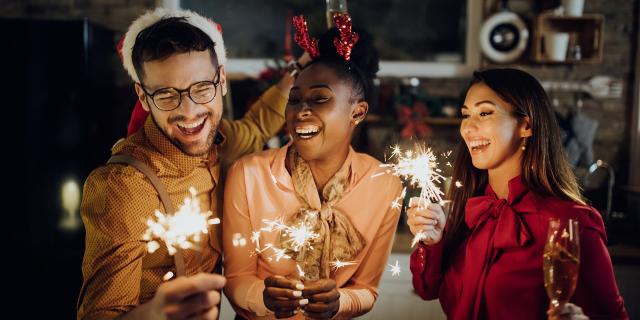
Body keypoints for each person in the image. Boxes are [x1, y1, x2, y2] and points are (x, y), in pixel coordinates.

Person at [77, 7, 309, 320]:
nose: (189, 112)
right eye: (167, 94)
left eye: (201, 88)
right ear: (144, 98)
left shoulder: (223, 139)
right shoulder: (124, 186)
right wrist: (156, 314)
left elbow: (257, 125)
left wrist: (302, 68)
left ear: (221, 80)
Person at [408, 68, 628, 320]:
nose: (468, 127)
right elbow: (427, 289)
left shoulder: (571, 222)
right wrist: (431, 242)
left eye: (485, 113)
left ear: (526, 125)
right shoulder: (466, 211)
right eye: (466, 115)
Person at [223, 14, 403, 319]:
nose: (301, 112)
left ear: (357, 112)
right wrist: (262, 297)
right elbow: (236, 279)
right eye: (294, 101)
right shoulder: (249, 174)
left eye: (320, 99)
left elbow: (366, 290)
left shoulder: (385, 185)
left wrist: (339, 303)